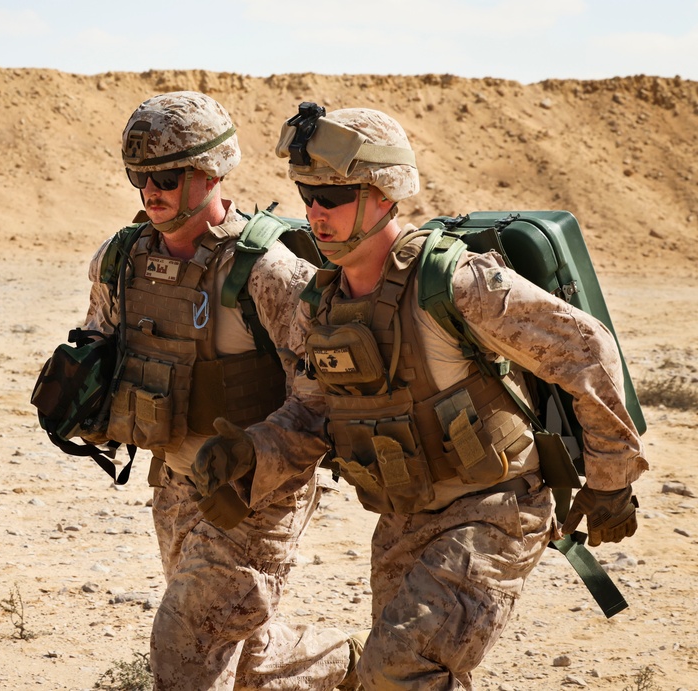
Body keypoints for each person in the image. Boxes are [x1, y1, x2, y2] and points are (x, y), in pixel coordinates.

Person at [194, 103, 648, 689]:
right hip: (404, 517)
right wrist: (251, 452)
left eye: (331, 197)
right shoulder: (322, 302)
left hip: (495, 510)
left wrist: (612, 479)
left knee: (402, 669)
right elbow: (312, 410)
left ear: (383, 194)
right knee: (404, 676)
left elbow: (585, 349)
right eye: (307, 195)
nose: (314, 213)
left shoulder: (454, 282)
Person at [81, 91, 355, 690]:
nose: (150, 190)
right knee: (239, 654)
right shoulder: (120, 259)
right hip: (175, 484)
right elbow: (96, 340)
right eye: (139, 176)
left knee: (186, 646)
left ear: (212, 172)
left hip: (258, 495)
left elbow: (324, 400)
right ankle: (344, 670)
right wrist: (81, 394)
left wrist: (255, 452)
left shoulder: (269, 273)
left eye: (168, 176)